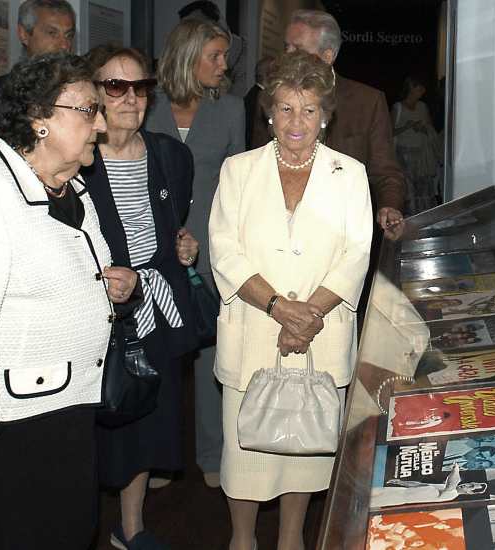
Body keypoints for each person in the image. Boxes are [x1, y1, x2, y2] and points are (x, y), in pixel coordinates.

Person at [0, 52, 119, 550]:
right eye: (88, 109)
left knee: (68, 530)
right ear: (40, 120)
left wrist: (110, 285)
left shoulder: (70, 187)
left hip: (65, 406)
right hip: (12, 420)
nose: (100, 123)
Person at [209, 50, 372, 550]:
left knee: (306, 448)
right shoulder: (238, 170)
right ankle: (242, 540)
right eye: (284, 108)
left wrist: (310, 313)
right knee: (245, 457)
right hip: (254, 332)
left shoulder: (351, 173)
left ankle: (291, 540)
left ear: (325, 113)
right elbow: (224, 250)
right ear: (268, 111)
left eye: (307, 109)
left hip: (320, 337)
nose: (295, 121)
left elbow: (357, 252)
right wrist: (281, 308)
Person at [82, 44, 200, 550]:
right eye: (115, 86)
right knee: (92, 422)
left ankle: (130, 527)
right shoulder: (79, 158)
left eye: (140, 87)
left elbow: (173, 223)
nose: (130, 98)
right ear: (93, 94)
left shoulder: (171, 154)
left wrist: (184, 246)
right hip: (93, 314)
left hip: (157, 306)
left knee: (146, 418)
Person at [145, 17, 245, 489]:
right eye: (215, 56)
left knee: (211, 354)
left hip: (212, 246)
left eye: (224, 55)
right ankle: (160, 458)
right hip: (154, 247)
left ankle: (212, 453)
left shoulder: (230, 109)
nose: (224, 65)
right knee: (160, 352)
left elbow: (239, 184)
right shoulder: (146, 106)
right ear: (188, 57)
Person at [251, 9, 405, 237]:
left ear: (328, 55)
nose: (287, 56)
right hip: (281, 230)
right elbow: (258, 163)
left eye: (298, 49)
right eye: (287, 47)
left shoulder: (367, 102)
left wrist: (389, 207)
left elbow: (386, 171)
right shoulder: (272, 98)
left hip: (344, 233)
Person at [0, 0, 76, 143]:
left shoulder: (79, 95)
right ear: (24, 34)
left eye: (69, 35)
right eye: (52, 33)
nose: (65, 45)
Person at [392, 76, 442, 214]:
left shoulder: (422, 106)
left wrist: (423, 128)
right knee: (408, 190)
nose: (423, 91)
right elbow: (389, 131)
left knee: (424, 189)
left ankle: (424, 218)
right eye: (419, 88)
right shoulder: (398, 107)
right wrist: (406, 127)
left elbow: (430, 129)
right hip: (404, 154)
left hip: (421, 155)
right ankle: (410, 220)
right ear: (411, 89)